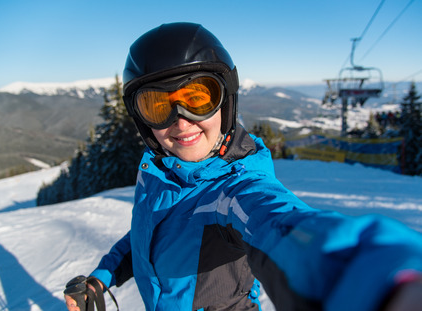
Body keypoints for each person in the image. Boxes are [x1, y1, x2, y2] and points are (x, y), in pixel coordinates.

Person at [65, 22, 422, 311]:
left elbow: (282, 224)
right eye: (159, 106)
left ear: (227, 102)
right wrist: (103, 276)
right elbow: (147, 231)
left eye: (198, 99)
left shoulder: (234, 192)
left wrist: (381, 282)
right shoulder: (159, 170)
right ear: (143, 121)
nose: (181, 122)